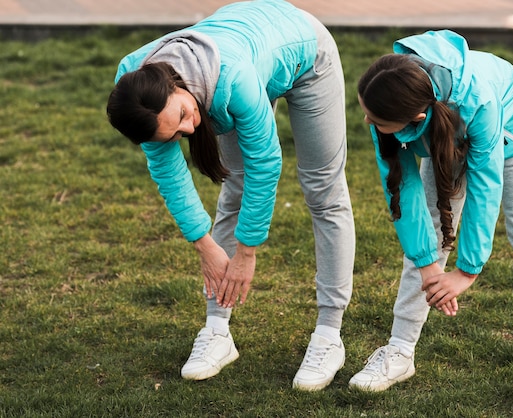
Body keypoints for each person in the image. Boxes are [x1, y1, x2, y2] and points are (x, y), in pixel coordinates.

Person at [106, 0, 354, 391]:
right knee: (234, 188)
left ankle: (329, 335)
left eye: (185, 114)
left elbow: (266, 163)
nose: (191, 129)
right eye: (175, 133)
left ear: (176, 85)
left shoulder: (231, 80)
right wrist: (205, 245)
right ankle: (217, 331)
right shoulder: (133, 91)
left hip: (304, 51)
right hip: (243, 53)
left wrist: (247, 252)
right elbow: (168, 173)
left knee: (323, 190)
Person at [350, 30, 513, 418]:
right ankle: (400, 350)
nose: (367, 121)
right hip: (442, 130)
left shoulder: (479, 100)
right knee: (429, 240)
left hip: (509, 132)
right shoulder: (386, 100)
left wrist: (466, 272)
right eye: (368, 113)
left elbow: (486, 188)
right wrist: (428, 266)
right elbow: (401, 193)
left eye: (375, 119)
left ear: (415, 118)